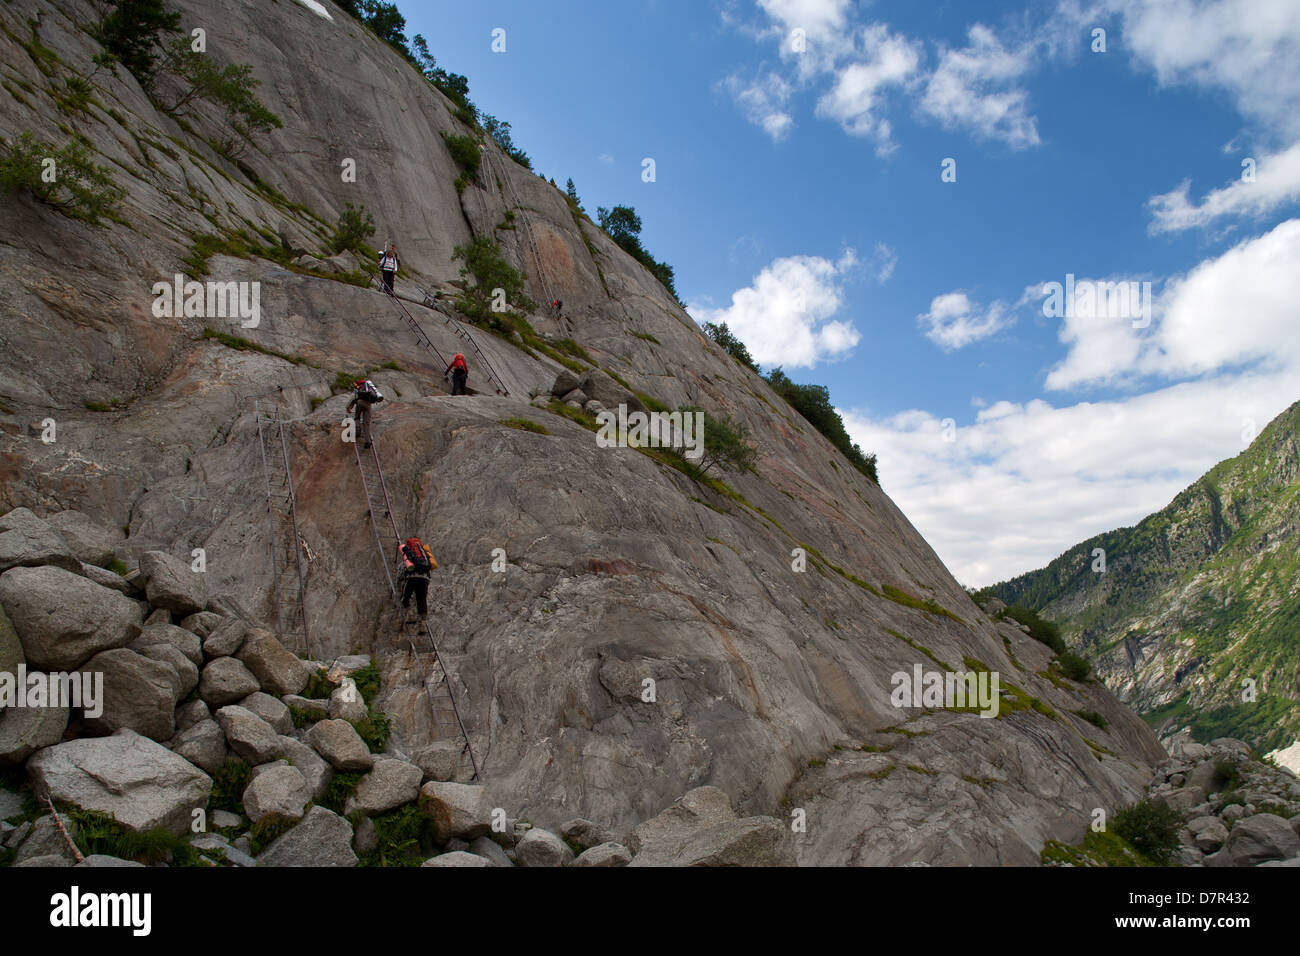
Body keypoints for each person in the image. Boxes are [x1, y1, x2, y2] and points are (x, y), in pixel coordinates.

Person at [397, 536, 436, 622]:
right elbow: (429, 571)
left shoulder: (409, 553)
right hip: (425, 580)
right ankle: (422, 623)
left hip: (412, 578)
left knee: (405, 598)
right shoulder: (425, 554)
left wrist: (399, 585)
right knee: (422, 601)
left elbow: (402, 571)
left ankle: (410, 614)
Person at [346, 378, 383, 448]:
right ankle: (367, 442)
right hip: (368, 405)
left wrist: (348, 407)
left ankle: (357, 431)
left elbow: (353, 398)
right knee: (366, 423)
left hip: (360, 403)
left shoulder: (358, 388)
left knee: (357, 417)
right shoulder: (368, 387)